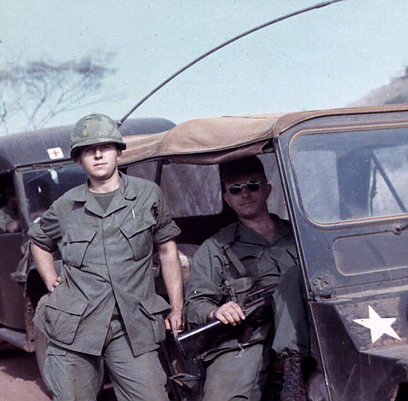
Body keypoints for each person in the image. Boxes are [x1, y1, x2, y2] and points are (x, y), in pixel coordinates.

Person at [29, 113, 184, 401]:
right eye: (88, 150)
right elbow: (38, 240)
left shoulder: (148, 195)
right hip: (76, 328)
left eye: (105, 147)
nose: (98, 155)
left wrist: (177, 308)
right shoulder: (66, 206)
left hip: (132, 325)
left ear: (118, 151)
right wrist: (51, 279)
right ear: (79, 160)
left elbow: (167, 251)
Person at [184, 156, 310, 401]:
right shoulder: (215, 248)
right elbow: (195, 304)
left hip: (306, 328)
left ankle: (293, 367)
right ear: (226, 199)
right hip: (248, 337)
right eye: (235, 189)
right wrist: (217, 311)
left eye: (253, 185)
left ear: (267, 189)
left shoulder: (300, 234)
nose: (245, 194)